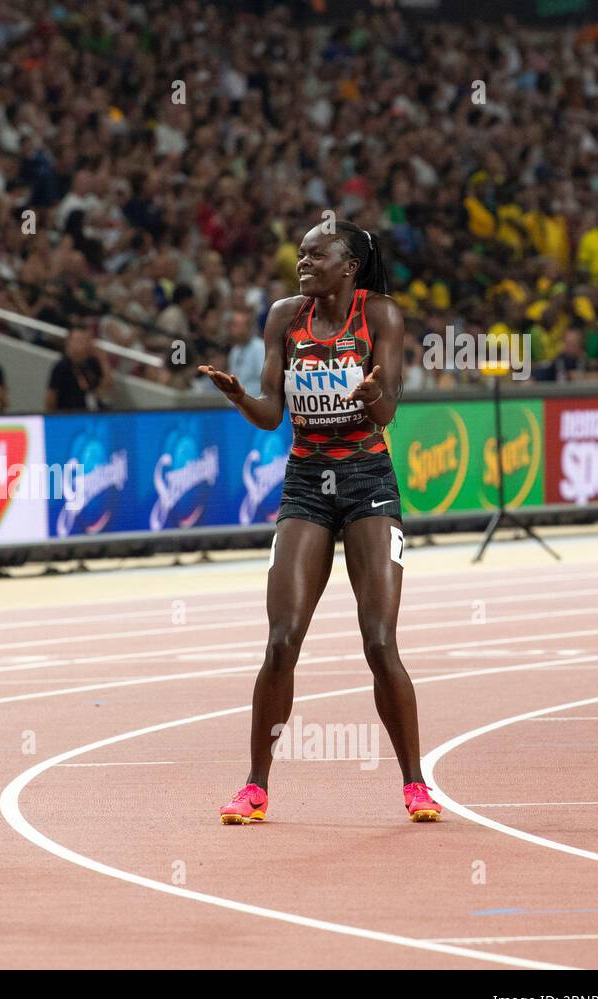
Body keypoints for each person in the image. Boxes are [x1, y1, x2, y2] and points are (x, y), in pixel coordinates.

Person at [198, 221, 442, 825]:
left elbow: (387, 409)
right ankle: (255, 787)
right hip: (307, 485)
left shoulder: (381, 314)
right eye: (301, 255)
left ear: (350, 265)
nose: (303, 263)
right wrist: (238, 397)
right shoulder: (284, 316)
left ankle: (415, 784)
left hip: (368, 484)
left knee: (380, 642)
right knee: (281, 642)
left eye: (316, 255)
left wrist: (368, 393)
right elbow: (269, 413)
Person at [46, 327, 109, 412]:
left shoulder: (90, 363)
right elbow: (51, 398)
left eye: (86, 341)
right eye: (79, 341)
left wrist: (103, 360)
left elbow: (106, 385)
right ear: (69, 343)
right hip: (70, 415)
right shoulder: (62, 367)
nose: (84, 345)